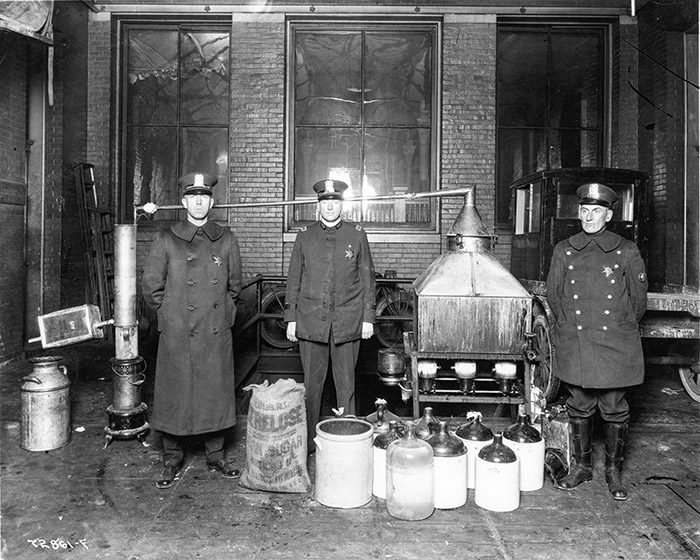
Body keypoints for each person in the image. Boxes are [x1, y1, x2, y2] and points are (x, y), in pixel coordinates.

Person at [141, 172, 243, 489]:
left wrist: (223, 314)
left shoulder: (226, 239)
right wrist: (171, 317)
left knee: (215, 391)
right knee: (176, 393)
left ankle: (216, 455)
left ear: (211, 202)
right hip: (178, 331)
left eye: (205, 197)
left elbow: (235, 288)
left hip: (213, 330)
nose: (199, 202)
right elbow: (150, 289)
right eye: (193, 196)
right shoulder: (167, 238)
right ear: (184, 201)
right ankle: (171, 458)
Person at [547, 182, 648, 501]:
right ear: (579, 213)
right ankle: (582, 467)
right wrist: (571, 328)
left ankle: (614, 472)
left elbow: (638, 301)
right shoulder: (564, 248)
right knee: (579, 405)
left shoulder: (625, 250)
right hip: (577, 339)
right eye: (584, 211)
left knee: (614, 407)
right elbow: (555, 295)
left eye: (596, 211)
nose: (589, 217)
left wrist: (617, 327)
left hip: (613, 342)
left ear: (609, 214)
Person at [284, 179, 376, 452]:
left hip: (348, 323)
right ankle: (309, 446)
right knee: (311, 388)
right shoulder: (305, 236)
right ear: (318, 205)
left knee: (346, 385)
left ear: (341, 205)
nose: (330, 206)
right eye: (325, 202)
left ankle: (346, 443)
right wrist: (291, 318)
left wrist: (368, 318)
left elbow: (367, 280)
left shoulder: (357, 235)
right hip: (311, 322)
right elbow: (294, 280)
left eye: (335, 202)